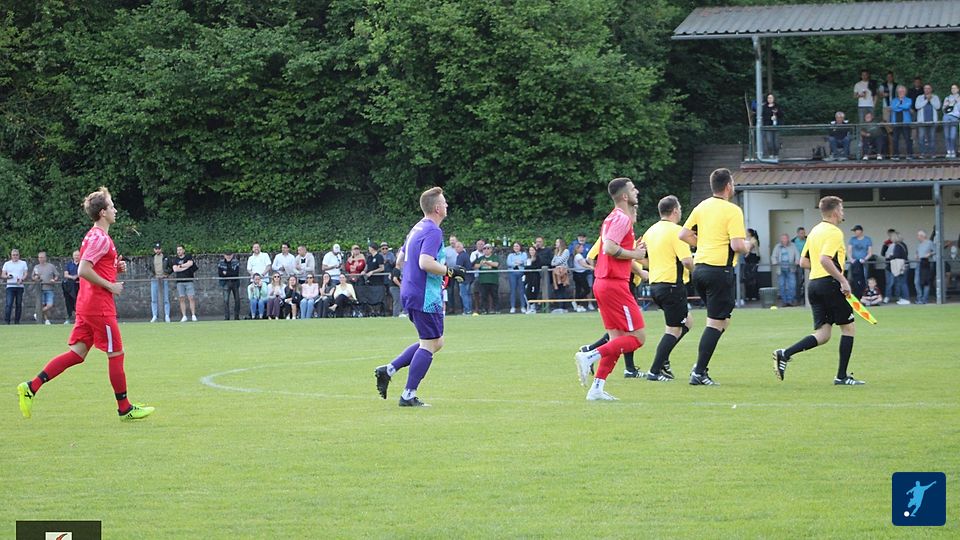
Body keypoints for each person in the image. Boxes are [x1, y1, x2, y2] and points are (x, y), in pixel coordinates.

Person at [16, 186, 154, 420]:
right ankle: (125, 409)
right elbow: (83, 270)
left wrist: (114, 269)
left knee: (77, 354)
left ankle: (31, 387)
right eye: (112, 206)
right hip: (99, 307)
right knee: (116, 353)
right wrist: (111, 286)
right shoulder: (100, 238)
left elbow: (94, 266)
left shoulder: (93, 235)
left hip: (87, 304)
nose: (115, 210)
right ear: (102, 212)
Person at [374, 187, 465, 407]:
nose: (447, 205)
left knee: (435, 341)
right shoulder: (433, 231)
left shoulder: (417, 227)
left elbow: (400, 259)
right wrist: (450, 271)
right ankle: (408, 395)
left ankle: (389, 370)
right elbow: (425, 262)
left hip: (411, 291)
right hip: (425, 296)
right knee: (429, 344)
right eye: (444, 202)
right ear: (437, 208)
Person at [773, 195, 864, 386]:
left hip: (814, 285)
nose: (843, 212)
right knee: (848, 328)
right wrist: (842, 280)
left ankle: (785, 353)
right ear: (835, 211)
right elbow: (824, 259)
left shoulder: (814, 231)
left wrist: (823, 271)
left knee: (824, 334)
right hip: (830, 284)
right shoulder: (834, 232)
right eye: (841, 209)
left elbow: (803, 262)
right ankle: (841, 377)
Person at [573, 178, 647, 400]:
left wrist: (635, 261)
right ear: (624, 196)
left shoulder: (613, 218)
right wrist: (636, 254)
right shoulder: (621, 218)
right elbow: (610, 247)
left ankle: (596, 388)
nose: (637, 191)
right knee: (638, 337)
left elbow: (613, 250)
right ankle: (590, 355)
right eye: (633, 189)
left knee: (617, 339)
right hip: (614, 284)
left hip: (605, 283)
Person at [679, 168, 750, 385]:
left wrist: (702, 243)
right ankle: (699, 372)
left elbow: (683, 234)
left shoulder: (702, 206)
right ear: (728, 186)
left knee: (722, 320)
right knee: (715, 323)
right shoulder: (732, 210)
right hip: (719, 270)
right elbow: (737, 245)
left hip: (700, 269)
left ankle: (700, 367)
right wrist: (748, 245)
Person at [641, 195, 695, 381]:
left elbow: (640, 258)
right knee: (674, 330)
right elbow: (686, 261)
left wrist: (656, 266)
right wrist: (698, 272)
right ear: (675, 211)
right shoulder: (677, 232)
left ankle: (663, 359)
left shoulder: (650, 231)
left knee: (687, 322)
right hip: (672, 286)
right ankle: (655, 371)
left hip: (655, 285)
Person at [31, 251, 59, 325]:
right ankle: (46, 320)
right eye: (39, 257)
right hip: (40, 289)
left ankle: (38, 314)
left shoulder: (51, 266)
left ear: (45, 258)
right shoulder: (36, 267)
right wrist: (35, 278)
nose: (40, 259)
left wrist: (54, 279)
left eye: (42, 257)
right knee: (42, 305)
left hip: (49, 288)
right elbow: (33, 277)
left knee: (49, 305)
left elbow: (56, 275)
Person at [172, 245, 198, 322]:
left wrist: (180, 266)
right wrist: (185, 267)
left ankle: (193, 315)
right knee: (181, 298)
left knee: (191, 298)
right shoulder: (175, 259)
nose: (179, 251)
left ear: (183, 250)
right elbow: (175, 269)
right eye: (178, 250)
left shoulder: (188, 256)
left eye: (180, 250)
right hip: (180, 282)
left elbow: (190, 264)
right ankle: (184, 316)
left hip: (189, 280)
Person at [771, 233, 799, 306]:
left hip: (791, 268)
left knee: (792, 285)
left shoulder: (793, 245)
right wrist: (774, 262)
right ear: (781, 239)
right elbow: (773, 256)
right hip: (780, 269)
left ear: (788, 239)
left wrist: (797, 260)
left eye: (785, 238)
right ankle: (784, 301)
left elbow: (797, 254)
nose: (784, 240)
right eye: (783, 238)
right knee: (781, 285)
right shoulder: (777, 247)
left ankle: (790, 301)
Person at [2, 248, 28, 324]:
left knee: (18, 304)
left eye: (16, 255)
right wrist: (7, 277)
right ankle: (7, 322)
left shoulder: (23, 263)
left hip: (20, 286)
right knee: (9, 304)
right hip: (10, 286)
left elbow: (26, 274)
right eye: (13, 255)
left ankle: (17, 322)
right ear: (11, 256)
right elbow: (3, 275)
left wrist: (22, 279)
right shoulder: (7, 264)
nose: (15, 256)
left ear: (19, 255)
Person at [915, 84, 940, 158]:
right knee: (921, 138)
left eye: (928, 88)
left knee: (932, 138)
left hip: (932, 121)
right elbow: (917, 106)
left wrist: (930, 100)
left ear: (931, 89)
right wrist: (926, 100)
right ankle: (923, 153)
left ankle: (932, 154)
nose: (927, 90)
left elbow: (938, 107)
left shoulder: (935, 97)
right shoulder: (919, 97)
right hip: (922, 121)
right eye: (925, 88)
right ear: (923, 89)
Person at [885, 231, 911, 304]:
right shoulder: (903, 245)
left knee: (902, 282)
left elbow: (896, 255)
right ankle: (904, 298)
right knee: (903, 282)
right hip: (905, 265)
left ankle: (906, 298)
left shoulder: (897, 245)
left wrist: (890, 256)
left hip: (900, 266)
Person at [847, 225, 873, 297]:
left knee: (865, 277)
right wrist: (851, 259)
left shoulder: (867, 239)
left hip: (863, 262)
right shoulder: (852, 239)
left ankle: (865, 294)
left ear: (860, 231)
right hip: (854, 262)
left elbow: (870, 252)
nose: (855, 232)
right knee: (850, 277)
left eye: (856, 231)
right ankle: (851, 293)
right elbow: (849, 251)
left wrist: (865, 259)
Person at [148, 242, 171, 322]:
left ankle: (167, 315)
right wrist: (153, 275)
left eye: (159, 249)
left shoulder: (166, 257)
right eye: (156, 249)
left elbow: (171, 267)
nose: (157, 250)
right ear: (154, 250)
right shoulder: (152, 258)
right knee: (154, 298)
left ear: (161, 249)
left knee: (166, 298)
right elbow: (149, 268)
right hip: (155, 279)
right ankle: (154, 315)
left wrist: (166, 274)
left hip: (164, 279)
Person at [474, 244, 500, 314]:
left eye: (488, 248)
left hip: (493, 280)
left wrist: (487, 262)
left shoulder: (494, 257)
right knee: (483, 296)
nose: (486, 250)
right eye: (484, 248)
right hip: (483, 280)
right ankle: (484, 310)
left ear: (491, 249)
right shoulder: (480, 258)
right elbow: (475, 266)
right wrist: (481, 264)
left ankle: (496, 309)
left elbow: (496, 264)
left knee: (494, 296)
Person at [890, 85, 914, 159]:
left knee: (907, 139)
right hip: (896, 122)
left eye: (903, 91)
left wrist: (899, 106)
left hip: (905, 122)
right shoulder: (893, 100)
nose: (901, 92)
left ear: (905, 92)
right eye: (900, 91)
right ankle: (896, 155)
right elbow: (893, 108)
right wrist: (902, 106)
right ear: (897, 92)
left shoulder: (909, 100)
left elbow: (906, 107)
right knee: (895, 139)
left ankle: (910, 155)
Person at [217, 251, 241, 320]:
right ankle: (226, 317)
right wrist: (229, 273)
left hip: (235, 282)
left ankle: (236, 317)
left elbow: (236, 274)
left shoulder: (236, 262)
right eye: (227, 255)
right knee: (226, 300)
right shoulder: (221, 263)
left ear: (232, 255)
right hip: (225, 283)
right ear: (224, 255)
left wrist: (226, 273)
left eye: (230, 255)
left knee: (237, 300)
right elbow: (220, 274)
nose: (228, 256)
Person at [506, 242, 528, 314]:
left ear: (520, 247)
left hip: (521, 273)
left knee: (522, 290)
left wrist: (520, 262)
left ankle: (523, 306)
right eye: (514, 246)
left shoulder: (524, 254)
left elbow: (525, 262)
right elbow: (509, 263)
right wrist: (516, 263)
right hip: (512, 273)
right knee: (513, 290)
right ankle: (512, 307)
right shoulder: (510, 255)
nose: (516, 247)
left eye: (517, 246)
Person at [551, 239, 571, 311]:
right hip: (556, 272)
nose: (556, 243)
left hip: (563, 271)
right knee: (557, 288)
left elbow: (560, 261)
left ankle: (564, 306)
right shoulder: (556, 251)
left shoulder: (566, 251)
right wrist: (555, 263)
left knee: (563, 288)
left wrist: (556, 263)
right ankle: (560, 306)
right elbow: (552, 262)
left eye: (557, 242)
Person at [571, 243, 592, 312]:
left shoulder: (579, 256)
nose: (583, 249)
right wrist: (591, 267)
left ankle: (578, 304)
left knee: (578, 290)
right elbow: (583, 264)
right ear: (577, 249)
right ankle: (576, 302)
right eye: (581, 248)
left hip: (579, 274)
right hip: (580, 275)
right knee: (587, 289)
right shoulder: (578, 256)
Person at [915, 230, 934, 304]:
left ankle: (924, 299)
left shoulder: (929, 243)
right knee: (916, 282)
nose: (917, 237)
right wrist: (916, 255)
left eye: (918, 235)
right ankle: (919, 298)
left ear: (922, 236)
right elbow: (917, 252)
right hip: (918, 263)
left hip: (926, 263)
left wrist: (929, 254)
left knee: (926, 282)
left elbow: (936, 250)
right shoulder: (919, 244)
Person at [760, 93, 782, 158]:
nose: (770, 99)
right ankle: (771, 154)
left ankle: (776, 154)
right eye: (768, 98)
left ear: (774, 98)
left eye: (771, 98)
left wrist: (777, 113)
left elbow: (781, 115)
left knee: (776, 142)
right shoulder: (764, 107)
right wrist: (770, 118)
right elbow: (763, 116)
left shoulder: (777, 106)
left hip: (776, 126)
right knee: (769, 141)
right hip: (768, 126)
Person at [62, 250, 80, 324]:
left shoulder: (82, 264)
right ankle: (69, 318)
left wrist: (77, 276)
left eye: (78, 255)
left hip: (80, 286)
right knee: (69, 301)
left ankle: (79, 318)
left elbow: (84, 272)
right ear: (73, 256)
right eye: (75, 255)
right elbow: (65, 274)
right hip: (70, 286)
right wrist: (72, 277)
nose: (76, 257)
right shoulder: (69, 264)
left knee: (79, 302)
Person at [742, 229, 760, 301]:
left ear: (750, 233)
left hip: (752, 258)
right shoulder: (747, 240)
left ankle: (754, 295)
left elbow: (749, 249)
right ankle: (749, 295)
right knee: (748, 277)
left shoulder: (753, 240)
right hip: (749, 259)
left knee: (752, 277)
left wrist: (745, 256)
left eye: (747, 232)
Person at [454, 241, 473, 315]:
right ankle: (469, 309)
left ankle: (467, 310)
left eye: (458, 247)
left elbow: (458, 267)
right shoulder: (465, 255)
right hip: (468, 278)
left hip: (464, 279)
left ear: (462, 247)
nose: (456, 248)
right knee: (467, 294)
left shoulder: (461, 256)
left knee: (464, 294)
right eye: (455, 247)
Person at [942, 83, 960, 159]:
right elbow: (943, 109)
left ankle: (953, 150)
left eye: (955, 88)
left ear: (958, 89)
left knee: (953, 136)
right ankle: (948, 151)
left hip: (955, 117)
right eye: (952, 88)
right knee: (946, 135)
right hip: (946, 117)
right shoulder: (947, 98)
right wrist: (947, 104)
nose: (953, 90)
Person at [523, 245, 539, 314]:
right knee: (527, 292)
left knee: (533, 292)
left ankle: (533, 308)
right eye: (530, 250)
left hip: (535, 278)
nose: (531, 251)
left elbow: (536, 267)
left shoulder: (538, 259)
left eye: (533, 250)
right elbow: (525, 269)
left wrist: (528, 267)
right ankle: (530, 307)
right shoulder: (528, 260)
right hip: (528, 278)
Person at [793, 227, 808, 303]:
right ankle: (798, 299)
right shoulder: (793, 242)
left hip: (807, 263)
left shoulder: (808, 240)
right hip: (798, 264)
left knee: (807, 281)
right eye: (801, 233)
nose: (803, 235)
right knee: (798, 282)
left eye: (804, 233)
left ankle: (806, 299)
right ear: (798, 234)